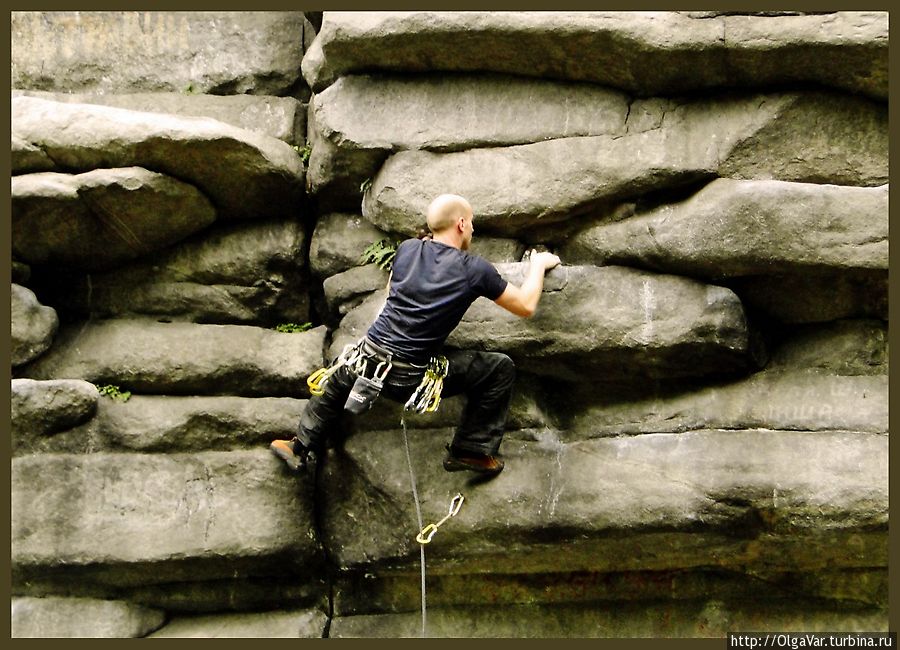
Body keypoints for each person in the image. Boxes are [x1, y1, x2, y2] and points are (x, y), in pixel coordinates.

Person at [271, 194, 560, 477]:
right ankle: (471, 449)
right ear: (461, 224)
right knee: (499, 368)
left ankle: (300, 445)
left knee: (337, 378)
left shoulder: (407, 250)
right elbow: (524, 305)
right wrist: (537, 266)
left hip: (364, 359)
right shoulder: (474, 270)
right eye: (471, 223)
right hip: (408, 378)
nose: (472, 229)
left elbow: (391, 292)